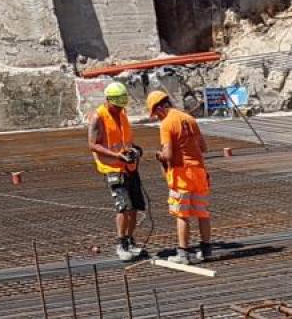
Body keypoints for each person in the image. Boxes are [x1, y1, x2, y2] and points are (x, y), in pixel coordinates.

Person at [147, 90, 212, 266]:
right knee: (202, 212)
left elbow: (168, 155)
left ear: (159, 108)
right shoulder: (189, 119)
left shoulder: (167, 123)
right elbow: (203, 147)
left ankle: (183, 254)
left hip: (182, 173)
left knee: (181, 214)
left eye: (156, 114)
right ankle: (206, 249)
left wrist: (160, 155)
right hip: (199, 171)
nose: (157, 118)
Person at [88, 80, 146, 263]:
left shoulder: (122, 113)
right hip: (112, 168)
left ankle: (130, 240)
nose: (119, 110)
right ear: (107, 100)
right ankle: (121, 243)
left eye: (121, 107)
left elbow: (124, 139)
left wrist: (134, 149)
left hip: (129, 166)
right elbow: (92, 145)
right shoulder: (98, 117)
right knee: (124, 206)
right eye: (116, 107)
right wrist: (116, 155)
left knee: (136, 206)